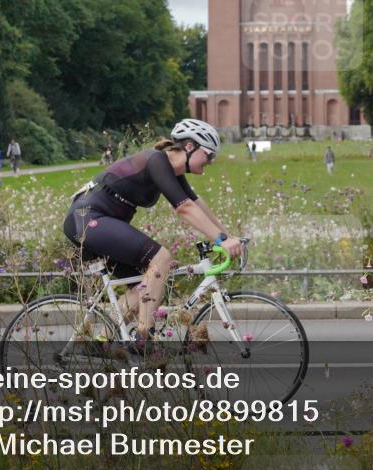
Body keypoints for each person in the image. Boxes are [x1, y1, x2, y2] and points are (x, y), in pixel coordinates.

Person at [63, 119, 243, 346]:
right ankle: (144, 339)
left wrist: (227, 237)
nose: (211, 161)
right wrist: (220, 240)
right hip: (88, 219)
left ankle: (102, 342)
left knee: (145, 285)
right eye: (209, 155)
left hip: (96, 222)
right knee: (161, 259)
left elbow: (196, 203)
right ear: (190, 146)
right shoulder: (157, 161)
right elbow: (184, 208)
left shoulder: (172, 171)